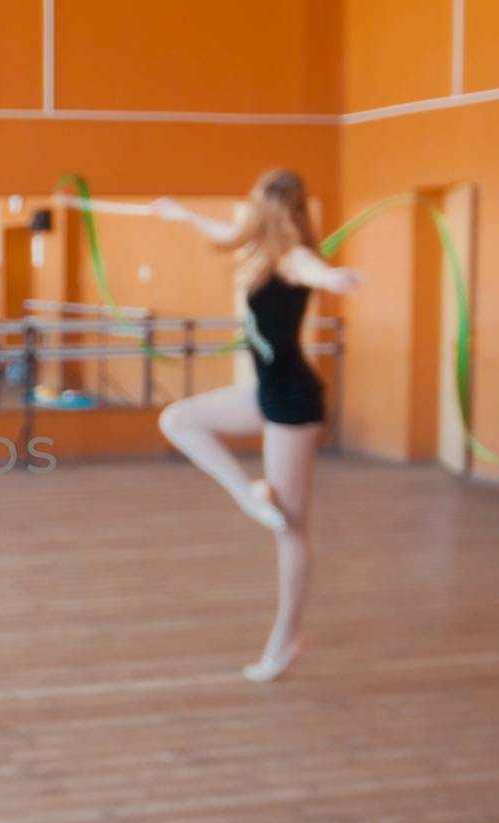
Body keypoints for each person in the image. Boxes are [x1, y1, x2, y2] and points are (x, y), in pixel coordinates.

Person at [149, 170, 361, 682]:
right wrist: (180, 214)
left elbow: (312, 267)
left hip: (291, 402)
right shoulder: (260, 251)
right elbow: (224, 233)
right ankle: (249, 494)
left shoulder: (291, 258)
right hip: (266, 394)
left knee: (290, 528)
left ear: (281, 211)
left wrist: (335, 280)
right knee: (179, 419)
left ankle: (286, 638)